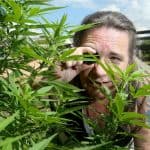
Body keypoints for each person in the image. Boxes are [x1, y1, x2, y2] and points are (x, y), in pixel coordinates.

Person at [55, 11, 150, 149]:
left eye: (114, 59)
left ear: (130, 63)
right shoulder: (66, 74)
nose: (99, 71)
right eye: (90, 56)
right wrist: (51, 75)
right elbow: (13, 79)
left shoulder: (143, 90)